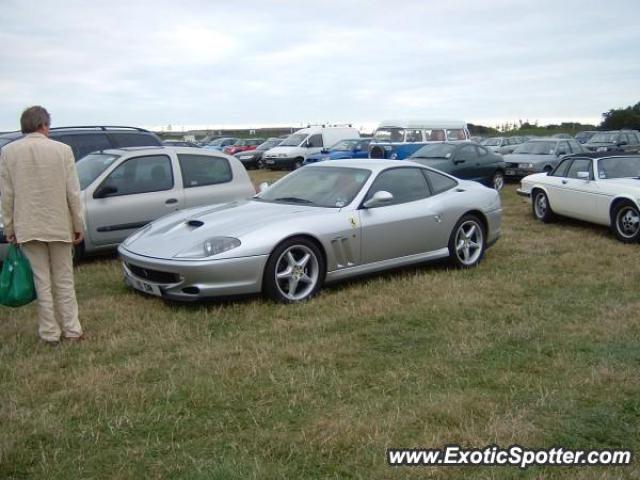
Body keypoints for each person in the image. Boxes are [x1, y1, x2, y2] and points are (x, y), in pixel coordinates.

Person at [0, 106, 85, 346]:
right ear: (44, 125)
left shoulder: (8, 152)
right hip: (60, 225)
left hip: (28, 226)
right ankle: (72, 330)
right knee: (64, 280)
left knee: (41, 281)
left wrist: (9, 229)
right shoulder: (63, 151)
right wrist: (78, 224)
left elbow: (7, 196)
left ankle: (49, 333)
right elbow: (73, 193)